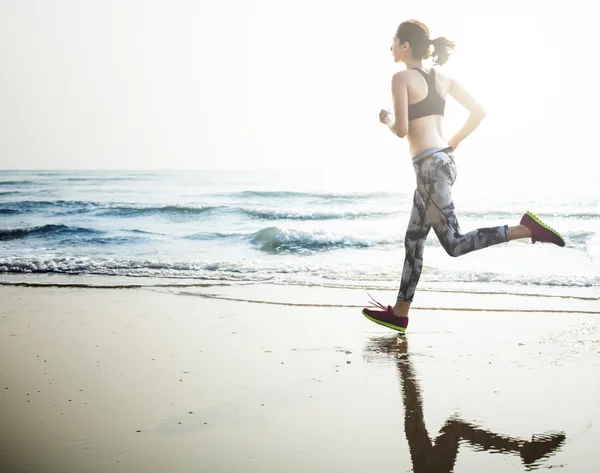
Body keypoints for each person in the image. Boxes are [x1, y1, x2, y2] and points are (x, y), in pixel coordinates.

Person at [362, 19, 565, 333]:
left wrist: (387, 118)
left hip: (429, 168)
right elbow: (479, 111)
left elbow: (402, 131)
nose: (391, 47)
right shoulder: (443, 78)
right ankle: (400, 312)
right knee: (414, 238)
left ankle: (526, 229)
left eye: (394, 41)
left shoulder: (400, 78)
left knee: (454, 244)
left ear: (405, 46)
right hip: (442, 162)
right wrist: (454, 141)